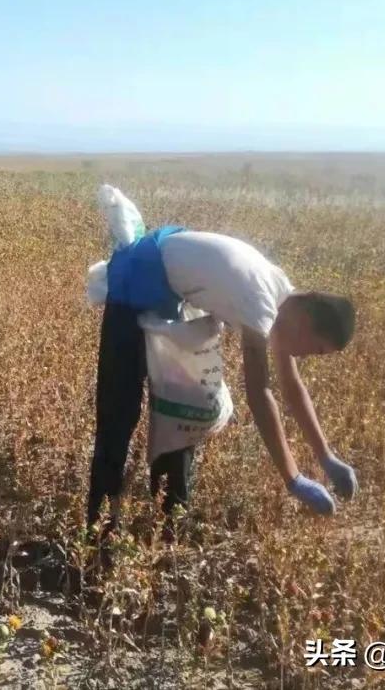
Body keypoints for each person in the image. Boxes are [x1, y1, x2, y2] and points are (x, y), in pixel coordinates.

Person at [87, 195, 358, 536]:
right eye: (315, 349)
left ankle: (168, 523)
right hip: (135, 285)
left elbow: (292, 385)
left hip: (171, 299)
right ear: (306, 321)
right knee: (118, 416)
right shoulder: (260, 302)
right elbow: (260, 393)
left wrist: (326, 457)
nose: (305, 356)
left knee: (183, 412)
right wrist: (294, 479)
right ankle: (97, 531)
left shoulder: (280, 292)